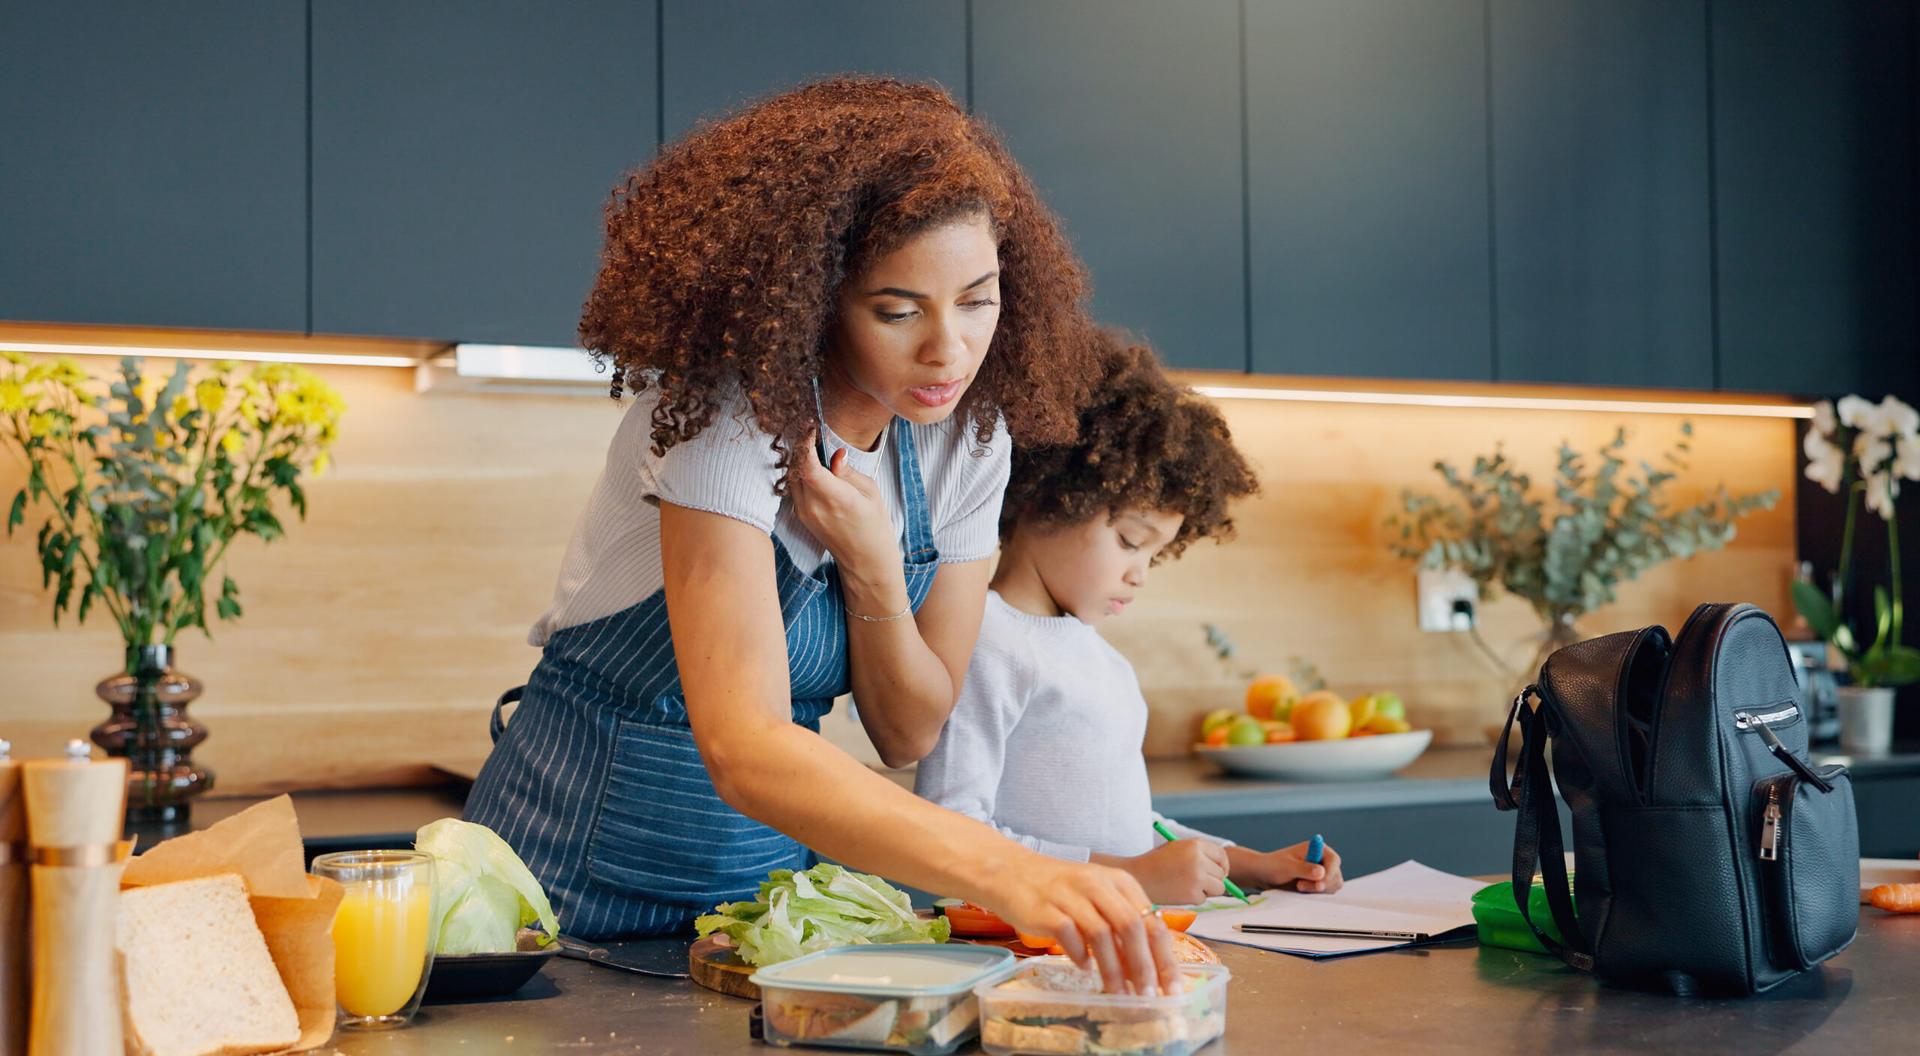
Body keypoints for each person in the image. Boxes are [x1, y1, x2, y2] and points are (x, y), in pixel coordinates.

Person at [464, 77, 1179, 991]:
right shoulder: (728, 418)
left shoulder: (969, 440)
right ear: (812, 298)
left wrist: (874, 569)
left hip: (755, 909)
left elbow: (909, 729)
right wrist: (1012, 871)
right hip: (559, 893)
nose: (949, 351)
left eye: (977, 300)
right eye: (897, 309)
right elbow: (746, 744)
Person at [916, 333, 1347, 904]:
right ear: (1050, 496)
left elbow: (1130, 829)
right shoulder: (985, 639)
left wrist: (1253, 865)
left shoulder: (1101, 658)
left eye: (1155, 553)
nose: (1141, 573)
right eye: (1129, 541)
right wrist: (1131, 878)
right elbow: (950, 832)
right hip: (1020, 951)